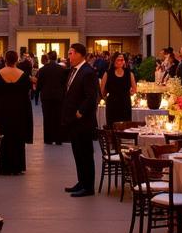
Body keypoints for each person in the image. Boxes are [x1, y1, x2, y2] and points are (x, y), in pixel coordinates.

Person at [62, 43, 100, 197]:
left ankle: (88, 187)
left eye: (71, 53)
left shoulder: (88, 72)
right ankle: (81, 182)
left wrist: (80, 112)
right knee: (78, 152)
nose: (69, 56)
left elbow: (91, 96)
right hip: (73, 120)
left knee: (85, 153)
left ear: (79, 54)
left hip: (83, 121)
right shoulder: (74, 70)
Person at [0, 50, 34, 174]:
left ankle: (4, 167)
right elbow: (27, 93)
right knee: (17, 137)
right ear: (16, 60)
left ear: (5, 59)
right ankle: (17, 166)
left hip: (2, 110)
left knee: (4, 138)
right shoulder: (23, 75)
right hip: (19, 110)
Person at [37, 50, 67, 144]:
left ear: (49, 58)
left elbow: (39, 85)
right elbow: (64, 84)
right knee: (58, 117)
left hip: (46, 97)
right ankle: (58, 139)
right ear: (56, 57)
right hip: (58, 96)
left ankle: (48, 139)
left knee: (47, 118)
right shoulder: (62, 69)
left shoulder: (42, 70)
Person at [101, 52, 136, 126]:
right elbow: (102, 91)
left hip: (125, 104)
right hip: (112, 104)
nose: (120, 62)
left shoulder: (129, 74)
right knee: (112, 126)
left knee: (125, 127)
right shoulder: (107, 73)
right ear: (114, 61)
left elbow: (134, 90)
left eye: (122, 60)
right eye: (118, 60)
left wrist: (127, 93)